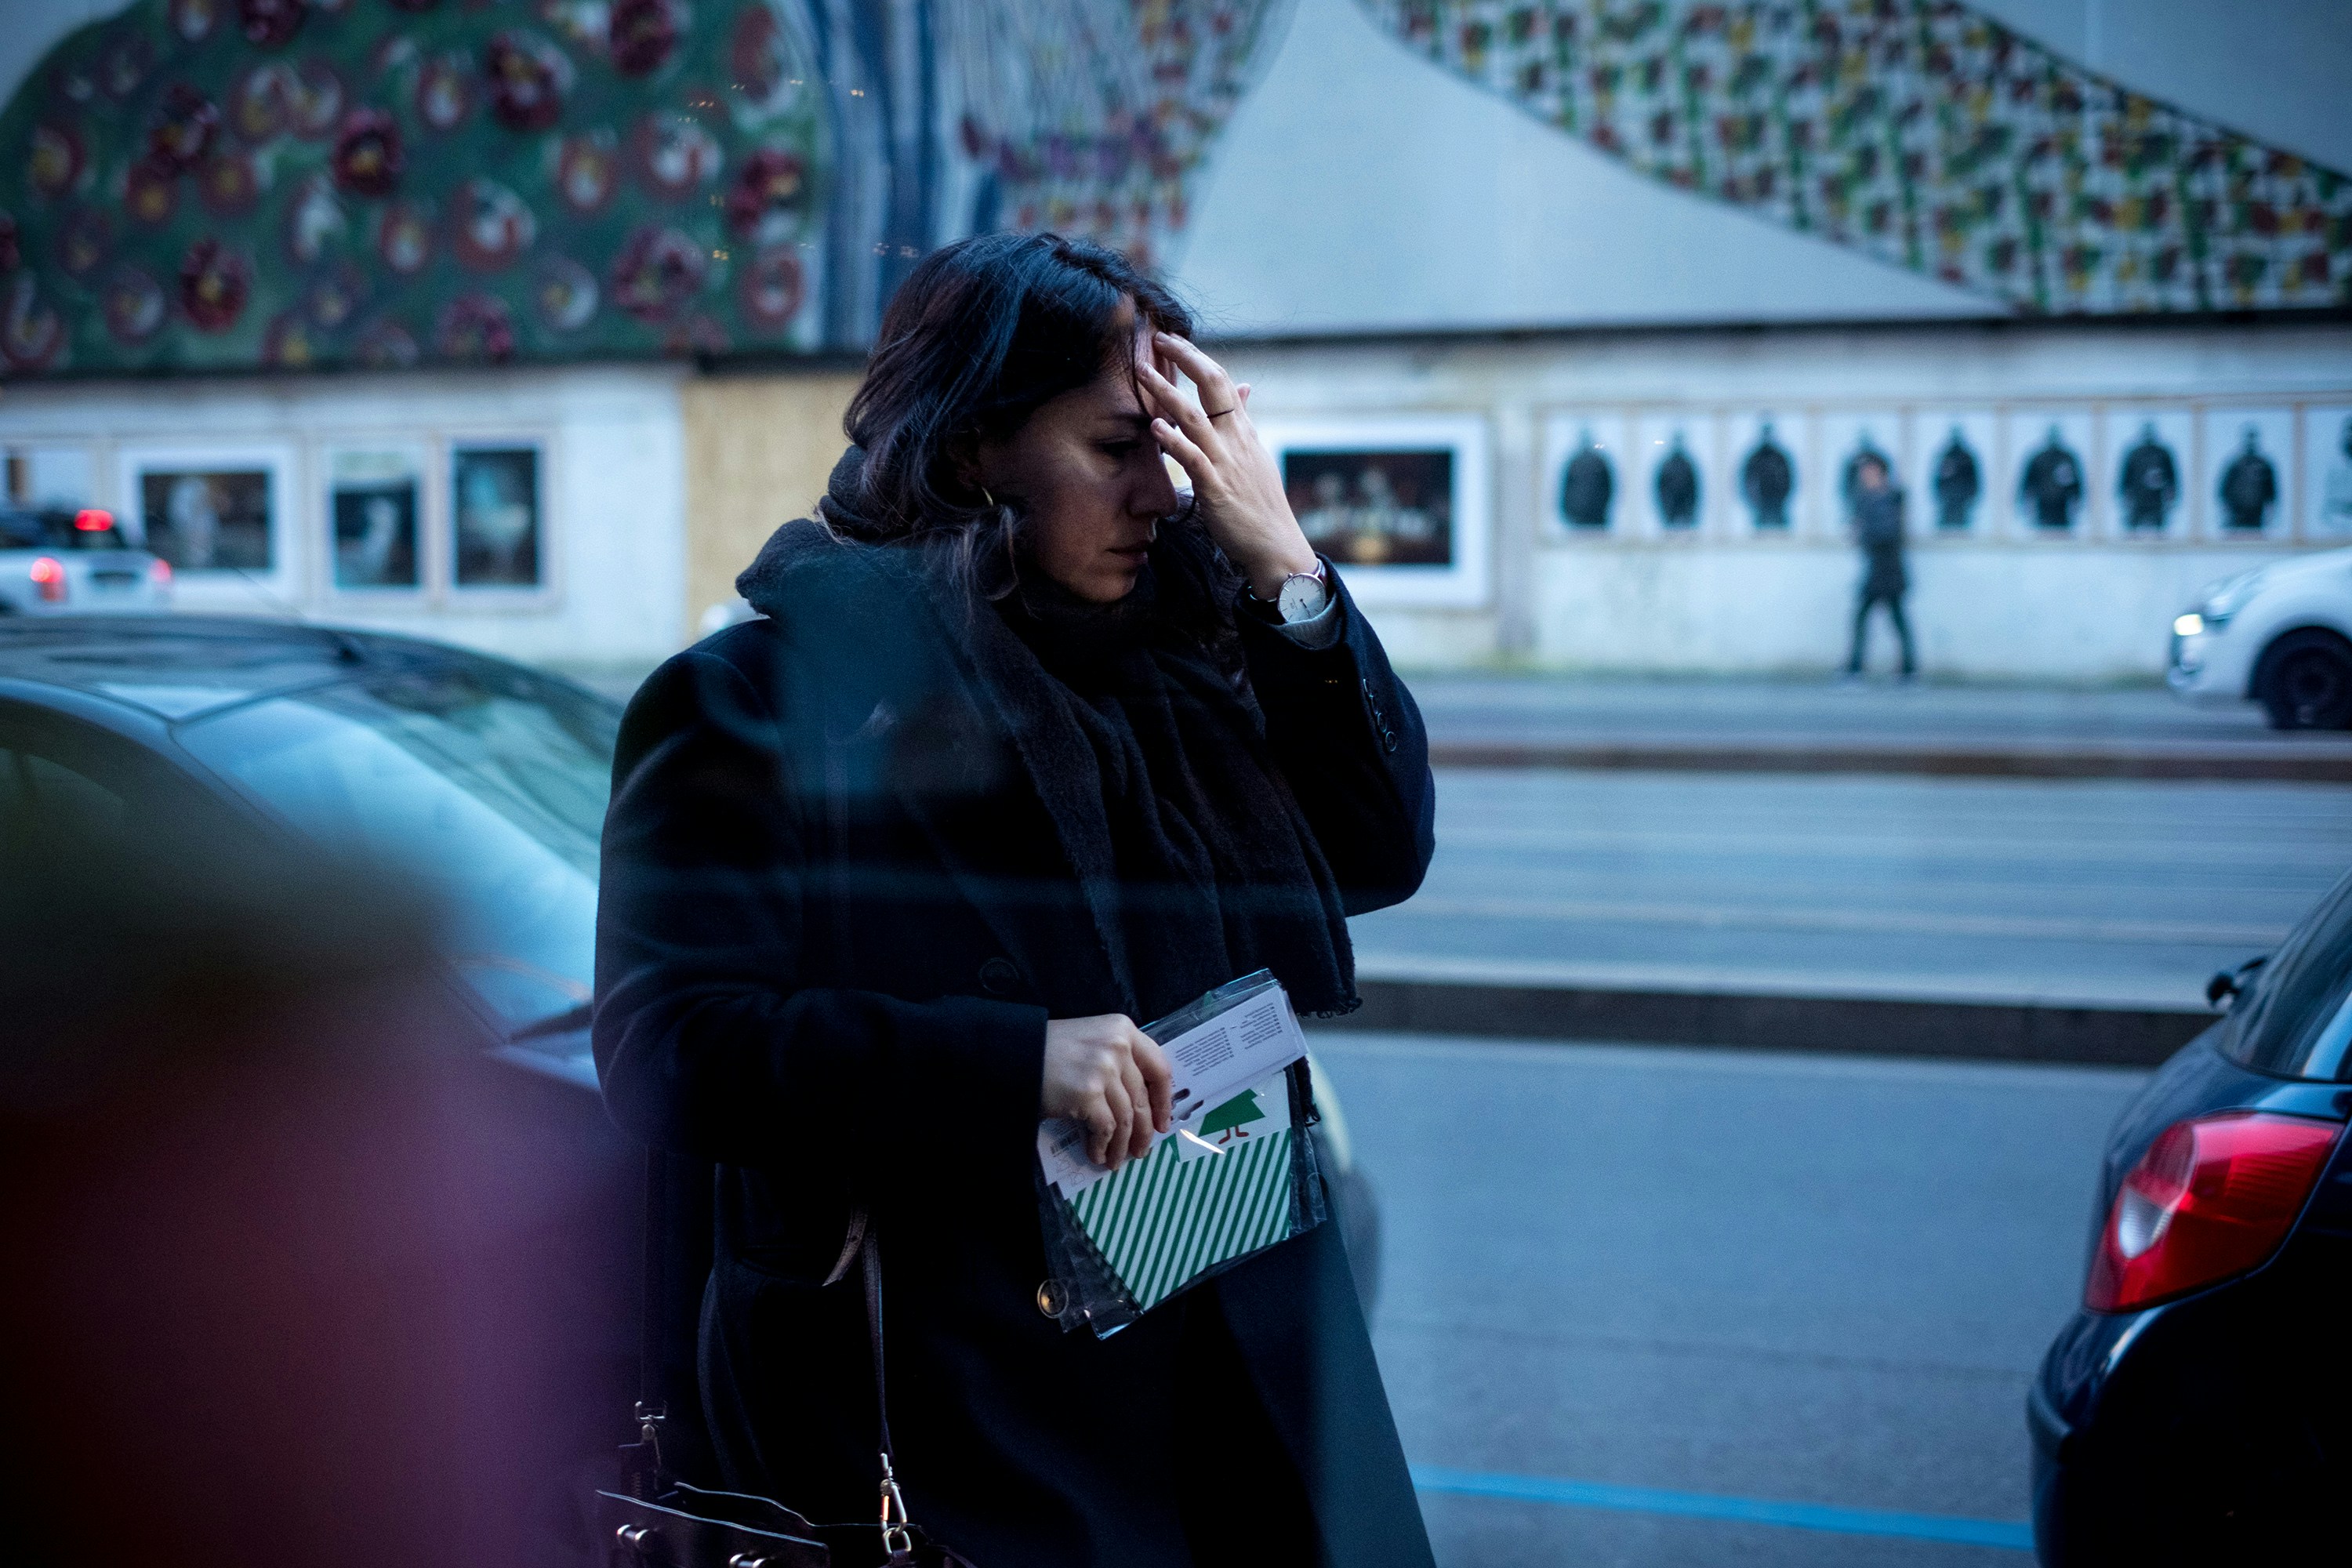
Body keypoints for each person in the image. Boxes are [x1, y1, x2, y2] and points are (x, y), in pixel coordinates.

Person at [593, 233, 1437, 1568]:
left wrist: (1281, 557)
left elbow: (1378, 850)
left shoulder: (1184, 667)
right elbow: (672, 1047)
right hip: (965, 1430)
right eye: (1117, 447)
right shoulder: (756, 702)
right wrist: (1016, 1063)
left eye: (1184, 444)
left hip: (1234, 1383)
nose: (1166, 494)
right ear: (978, 445)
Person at [1845, 452, 1915, 680]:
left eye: (1869, 471)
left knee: (1894, 618)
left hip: (1889, 567)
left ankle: (1906, 669)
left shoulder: (1891, 498)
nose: (1865, 476)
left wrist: (1863, 533)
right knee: (1870, 618)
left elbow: (1889, 533)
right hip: (1875, 566)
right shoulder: (1866, 498)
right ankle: (1859, 667)